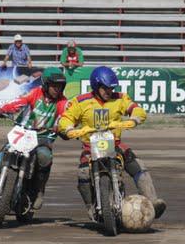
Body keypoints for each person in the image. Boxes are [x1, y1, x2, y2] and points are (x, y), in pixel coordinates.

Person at [58, 66, 167, 219]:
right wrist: (69, 129)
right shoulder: (80, 101)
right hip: (90, 146)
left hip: (115, 144)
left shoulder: (120, 98)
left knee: (137, 165)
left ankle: (153, 201)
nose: (109, 91)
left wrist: (134, 119)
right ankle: (90, 207)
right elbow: (66, 118)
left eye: (111, 88)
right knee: (83, 173)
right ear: (96, 86)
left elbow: (136, 109)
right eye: (105, 88)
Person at [0, 68, 69, 217]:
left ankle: (39, 192)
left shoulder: (63, 102)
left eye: (60, 86)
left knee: (45, 157)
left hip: (43, 138)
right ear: (46, 85)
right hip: (22, 133)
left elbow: (66, 118)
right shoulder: (34, 93)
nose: (57, 89)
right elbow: (18, 102)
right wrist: (2, 110)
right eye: (54, 86)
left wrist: (63, 128)